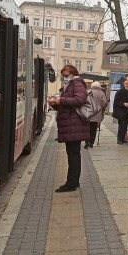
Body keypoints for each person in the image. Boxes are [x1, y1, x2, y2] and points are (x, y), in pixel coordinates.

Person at [47, 64, 88, 192]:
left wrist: (61, 100)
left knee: (73, 155)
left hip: (74, 125)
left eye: (66, 75)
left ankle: (72, 183)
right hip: (71, 125)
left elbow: (79, 100)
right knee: (72, 154)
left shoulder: (77, 84)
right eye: (63, 76)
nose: (64, 78)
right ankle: (73, 182)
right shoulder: (70, 85)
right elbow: (67, 104)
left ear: (72, 74)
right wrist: (55, 104)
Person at [85, 81, 108, 149]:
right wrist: (101, 108)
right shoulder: (101, 93)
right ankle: (91, 143)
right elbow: (105, 102)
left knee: (87, 129)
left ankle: (87, 143)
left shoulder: (87, 92)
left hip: (88, 113)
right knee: (94, 128)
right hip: (97, 113)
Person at [112, 78, 128, 145]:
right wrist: (123, 104)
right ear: (124, 84)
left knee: (125, 126)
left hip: (127, 112)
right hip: (121, 112)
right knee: (121, 126)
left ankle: (122, 138)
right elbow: (116, 102)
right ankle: (119, 140)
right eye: (127, 84)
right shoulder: (120, 91)